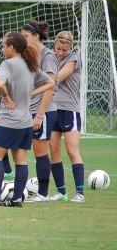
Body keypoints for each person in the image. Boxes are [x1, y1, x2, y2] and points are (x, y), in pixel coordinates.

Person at [0, 32, 54, 207]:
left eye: (4, 45)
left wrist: (5, 96)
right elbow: (50, 83)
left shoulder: (8, 64)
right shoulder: (30, 64)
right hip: (26, 121)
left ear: (12, 47)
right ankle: (17, 199)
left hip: (9, 121)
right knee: (21, 160)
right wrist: (31, 93)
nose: (2, 48)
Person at [21, 20, 58, 202]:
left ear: (36, 36)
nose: (23, 39)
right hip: (29, 110)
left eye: (26, 36)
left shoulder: (47, 56)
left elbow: (50, 87)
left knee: (40, 151)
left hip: (43, 111)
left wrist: (40, 114)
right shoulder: (29, 55)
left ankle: (43, 193)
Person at [49, 31, 86, 202]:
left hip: (69, 111)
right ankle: (61, 192)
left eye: (64, 50)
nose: (60, 52)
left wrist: (38, 79)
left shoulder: (74, 58)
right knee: (54, 150)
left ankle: (79, 193)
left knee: (72, 151)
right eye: (58, 49)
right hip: (53, 110)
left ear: (70, 47)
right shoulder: (51, 58)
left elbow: (58, 77)